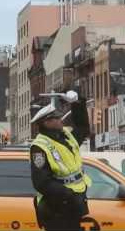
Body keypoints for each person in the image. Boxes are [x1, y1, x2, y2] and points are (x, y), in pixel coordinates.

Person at [29, 90, 92, 231]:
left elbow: (83, 128)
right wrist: (68, 195)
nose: (60, 119)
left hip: (72, 205)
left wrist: (77, 102)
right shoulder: (40, 147)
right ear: (46, 122)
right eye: (56, 117)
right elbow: (41, 182)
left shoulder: (66, 136)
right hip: (56, 208)